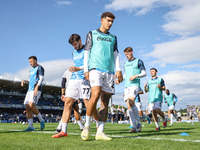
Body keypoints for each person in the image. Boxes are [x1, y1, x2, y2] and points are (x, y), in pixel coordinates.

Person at [81, 12, 123, 141]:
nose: (110, 23)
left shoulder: (113, 38)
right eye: (108, 21)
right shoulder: (92, 34)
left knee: (105, 101)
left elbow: (116, 54)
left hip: (109, 71)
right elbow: (86, 52)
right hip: (95, 69)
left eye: (112, 22)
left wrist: (119, 70)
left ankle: (100, 132)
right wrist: (86, 70)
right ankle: (87, 126)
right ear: (102, 20)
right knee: (95, 94)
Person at [52, 34, 98, 138]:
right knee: (67, 103)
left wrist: (78, 68)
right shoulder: (73, 53)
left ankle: (98, 126)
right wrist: (74, 69)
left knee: (88, 104)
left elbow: (90, 64)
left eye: (75, 44)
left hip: (84, 79)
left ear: (80, 40)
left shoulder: (88, 50)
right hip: (73, 80)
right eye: (73, 45)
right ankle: (63, 131)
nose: (74, 46)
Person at [123, 47, 147, 132]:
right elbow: (125, 75)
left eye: (128, 54)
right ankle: (133, 126)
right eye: (125, 55)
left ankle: (139, 124)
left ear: (132, 52)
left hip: (135, 85)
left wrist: (136, 76)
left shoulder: (138, 61)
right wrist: (120, 79)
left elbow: (144, 73)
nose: (127, 56)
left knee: (131, 102)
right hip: (127, 86)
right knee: (129, 106)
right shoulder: (125, 63)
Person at [54, 69, 84, 134]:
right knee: (69, 110)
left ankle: (82, 127)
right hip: (73, 92)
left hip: (69, 92)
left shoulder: (66, 71)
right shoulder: (78, 71)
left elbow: (63, 83)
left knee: (72, 109)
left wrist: (63, 93)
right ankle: (59, 128)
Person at [21, 56, 45, 131]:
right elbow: (31, 79)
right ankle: (30, 127)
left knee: (31, 105)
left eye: (31, 61)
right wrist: (25, 81)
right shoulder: (31, 70)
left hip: (36, 89)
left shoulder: (40, 68)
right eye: (29, 62)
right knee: (27, 107)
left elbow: (41, 78)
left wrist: (37, 87)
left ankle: (41, 120)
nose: (30, 63)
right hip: (29, 90)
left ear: (35, 60)